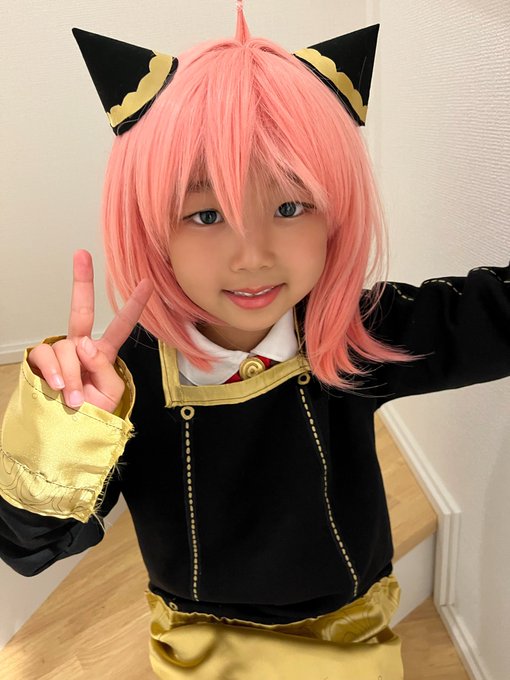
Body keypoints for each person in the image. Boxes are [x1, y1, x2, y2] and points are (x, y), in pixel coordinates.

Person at [1, 3, 509, 678]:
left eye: (289, 206)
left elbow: (492, 316)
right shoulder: (125, 382)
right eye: (205, 213)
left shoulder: (358, 329)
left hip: (349, 625)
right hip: (199, 641)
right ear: (151, 225)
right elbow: (30, 547)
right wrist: (64, 431)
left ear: (336, 213)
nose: (252, 256)